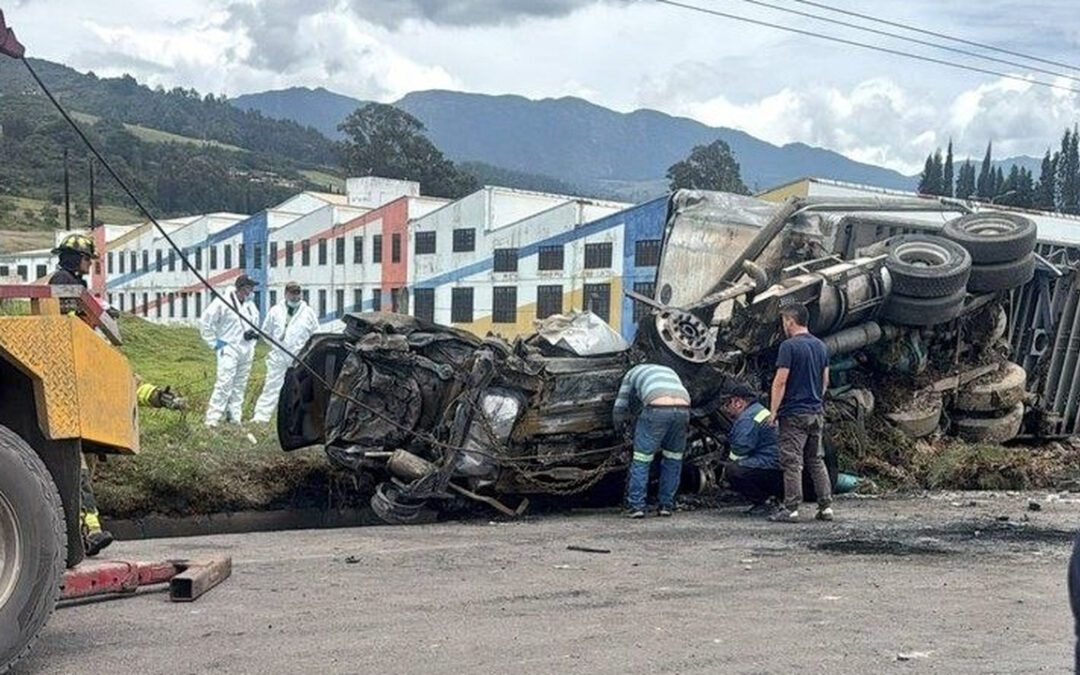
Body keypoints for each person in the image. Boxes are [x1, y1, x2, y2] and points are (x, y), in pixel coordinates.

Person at [767, 303, 834, 523]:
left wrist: (773, 411)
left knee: (792, 461)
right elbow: (825, 381)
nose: (783, 325)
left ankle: (791, 508)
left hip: (794, 414)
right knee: (816, 460)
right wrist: (815, 400)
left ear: (790, 321)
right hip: (816, 412)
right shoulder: (821, 346)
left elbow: (781, 381)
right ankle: (825, 507)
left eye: (784, 321)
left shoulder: (789, 346)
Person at [613, 363, 691, 518]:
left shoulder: (630, 374)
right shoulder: (669, 369)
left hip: (657, 408)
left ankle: (636, 506)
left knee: (642, 458)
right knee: (673, 458)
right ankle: (666, 506)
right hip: (684, 408)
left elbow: (620, 406)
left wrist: (618, 428)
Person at [250, 281, 318, 423]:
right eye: (292, 293)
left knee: (300, 389)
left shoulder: (308, 313)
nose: (295, 296)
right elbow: (266, 332)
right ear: (286, 293)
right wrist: (276, 347)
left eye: (297, 293)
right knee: (272, 386)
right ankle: (261, 417)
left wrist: (306, 351)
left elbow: (315, 335)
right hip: (278, 356)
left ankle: (297, 421)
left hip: (300, 357)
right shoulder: (275, 311)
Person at [201, 275, 261, 427]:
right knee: (224, 383)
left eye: (252, 288)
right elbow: (205, 323)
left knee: (240, 384)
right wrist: (216, 344)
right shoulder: (222, 302)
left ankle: (234, 417)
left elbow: (255, 325)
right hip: (228, 348)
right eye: (249, 287)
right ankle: (212, 419)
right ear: (241, 288)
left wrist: (253, 336)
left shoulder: (250, 306)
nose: (251, 291)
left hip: (246, 349)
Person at [722, 383, 782, 516]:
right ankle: (774, 498)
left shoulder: (747, 418)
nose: (726, 409)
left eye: (727, 404)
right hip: (779, 466)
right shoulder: (760, 410)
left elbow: (740, 449)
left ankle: (763, 503)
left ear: (738, 402)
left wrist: (723, 468)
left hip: (769, 466)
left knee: (733, 471)